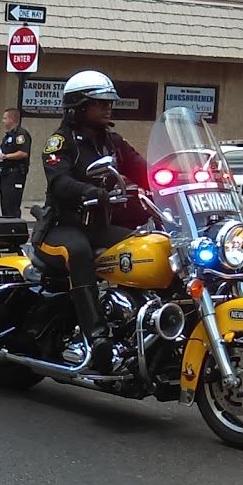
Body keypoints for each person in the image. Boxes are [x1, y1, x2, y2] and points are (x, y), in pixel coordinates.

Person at [35, 70, 148, 372]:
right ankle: (98, 337)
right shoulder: (60, 142)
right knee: (79, 252)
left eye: (109, 102)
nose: (108, 107)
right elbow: (58, 182)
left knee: (147, 247)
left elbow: (143, 168)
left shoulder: (112, 141)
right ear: (79, 107)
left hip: (98, 227)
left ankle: (144, 323)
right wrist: (89, 191)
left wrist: (181, 181)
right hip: (61, 228)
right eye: (100, 103)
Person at [0, 109, 32, 217]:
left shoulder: (20, 134)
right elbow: (2, 154)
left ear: (12, 119)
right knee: (5, 204)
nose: (3, 121)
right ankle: (6, 228)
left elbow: (23, 153)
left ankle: (14, 228)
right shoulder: (8, 136)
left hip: (15, 174)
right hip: (5, 173)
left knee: (12, 205)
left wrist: (6, 156)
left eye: (5, 118)